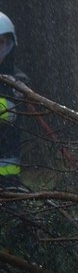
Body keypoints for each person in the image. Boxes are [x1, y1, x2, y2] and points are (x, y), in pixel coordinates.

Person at [0, 12, 29, 189]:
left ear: (11, 45)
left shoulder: (19, 81)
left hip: (7, 178)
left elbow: (10, 113)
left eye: (1, 44)